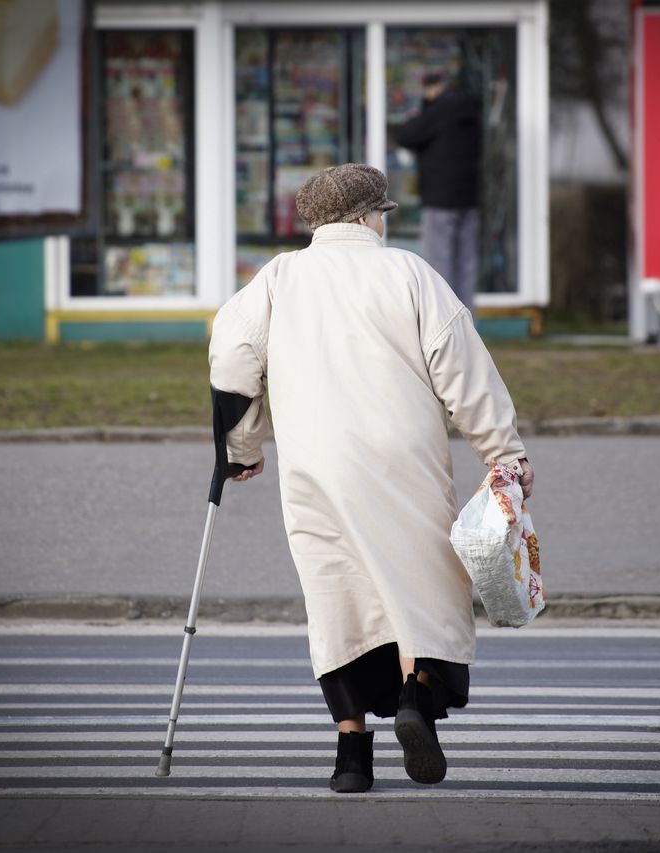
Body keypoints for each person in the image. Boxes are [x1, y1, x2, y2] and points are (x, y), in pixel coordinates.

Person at [208, 163, 534, 794]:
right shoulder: (408, 272)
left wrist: (240, 448)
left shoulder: (277, 278)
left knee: (337, 595)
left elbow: (231, 353)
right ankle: (416, 700)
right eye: (381, 212)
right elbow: (461, 366)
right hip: (403, 456)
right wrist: (503, 453)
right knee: (415, 585)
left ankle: (350, 753)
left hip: (316, 463)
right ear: (366, 216)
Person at [395, 70, 482, 313]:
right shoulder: (471, 109)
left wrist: (422, 109)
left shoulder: (440, 110)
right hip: (469, 198)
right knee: (466, 264)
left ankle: (445, 321)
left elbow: (407, 135)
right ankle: (468, 323)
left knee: (439, 265)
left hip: (440, 198)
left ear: (432, 89)